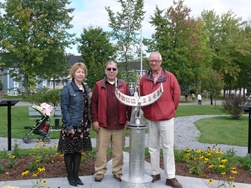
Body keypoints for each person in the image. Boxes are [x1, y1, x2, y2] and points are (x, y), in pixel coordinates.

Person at [140, 52, 182, 188]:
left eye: (156, 61)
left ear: (161, 62)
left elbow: (176, 95)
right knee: (153, 147)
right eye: (151, 61)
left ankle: (170, 176)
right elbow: (141, 97)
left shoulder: (169, 77)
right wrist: (146, 112)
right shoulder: (144, 79)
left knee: (168, 147)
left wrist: (170, 110)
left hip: (166, 118)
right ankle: (155, 173)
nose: (153, 63)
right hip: (151, 118)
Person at [91, 60, 132, 182]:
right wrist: (95, 120)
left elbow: (130, 102)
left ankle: (117, 171)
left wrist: (129, 119)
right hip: (103, 124)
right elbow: (93, 104)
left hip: (119, 124)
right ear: (105, 70)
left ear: (117, 70)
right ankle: (99, 171)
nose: (111, 71)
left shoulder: (123, 85)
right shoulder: (98, 85)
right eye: (109, 69)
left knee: (118, 151)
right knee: (101, 151)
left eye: (114, 69)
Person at [57, 62, 92, 187]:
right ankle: (70, 175)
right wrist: (69, 126)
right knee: (69, 151)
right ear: (73, 73)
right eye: (78, 72)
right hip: (71, 124)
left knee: (78, 151)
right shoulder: (67, 88)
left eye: (82, 72)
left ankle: (76, 175)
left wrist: (89, 122)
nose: (80, 74)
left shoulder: (85, 87)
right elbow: (64, 108)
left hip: (82, 125)